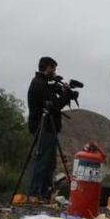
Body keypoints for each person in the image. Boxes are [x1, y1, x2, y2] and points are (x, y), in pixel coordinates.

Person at [26, 56, 74, 202]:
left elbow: (53, 101)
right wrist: (66, 96)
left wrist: (61, 90)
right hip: (43, 127)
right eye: (53, 68)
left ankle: (44, 194)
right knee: (42, 161)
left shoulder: (43, 83)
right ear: (47, 68)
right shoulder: (39, 84)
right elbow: (54, 105)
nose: (54, 72)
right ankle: (35, 194)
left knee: (50, 162)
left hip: (48, 128)